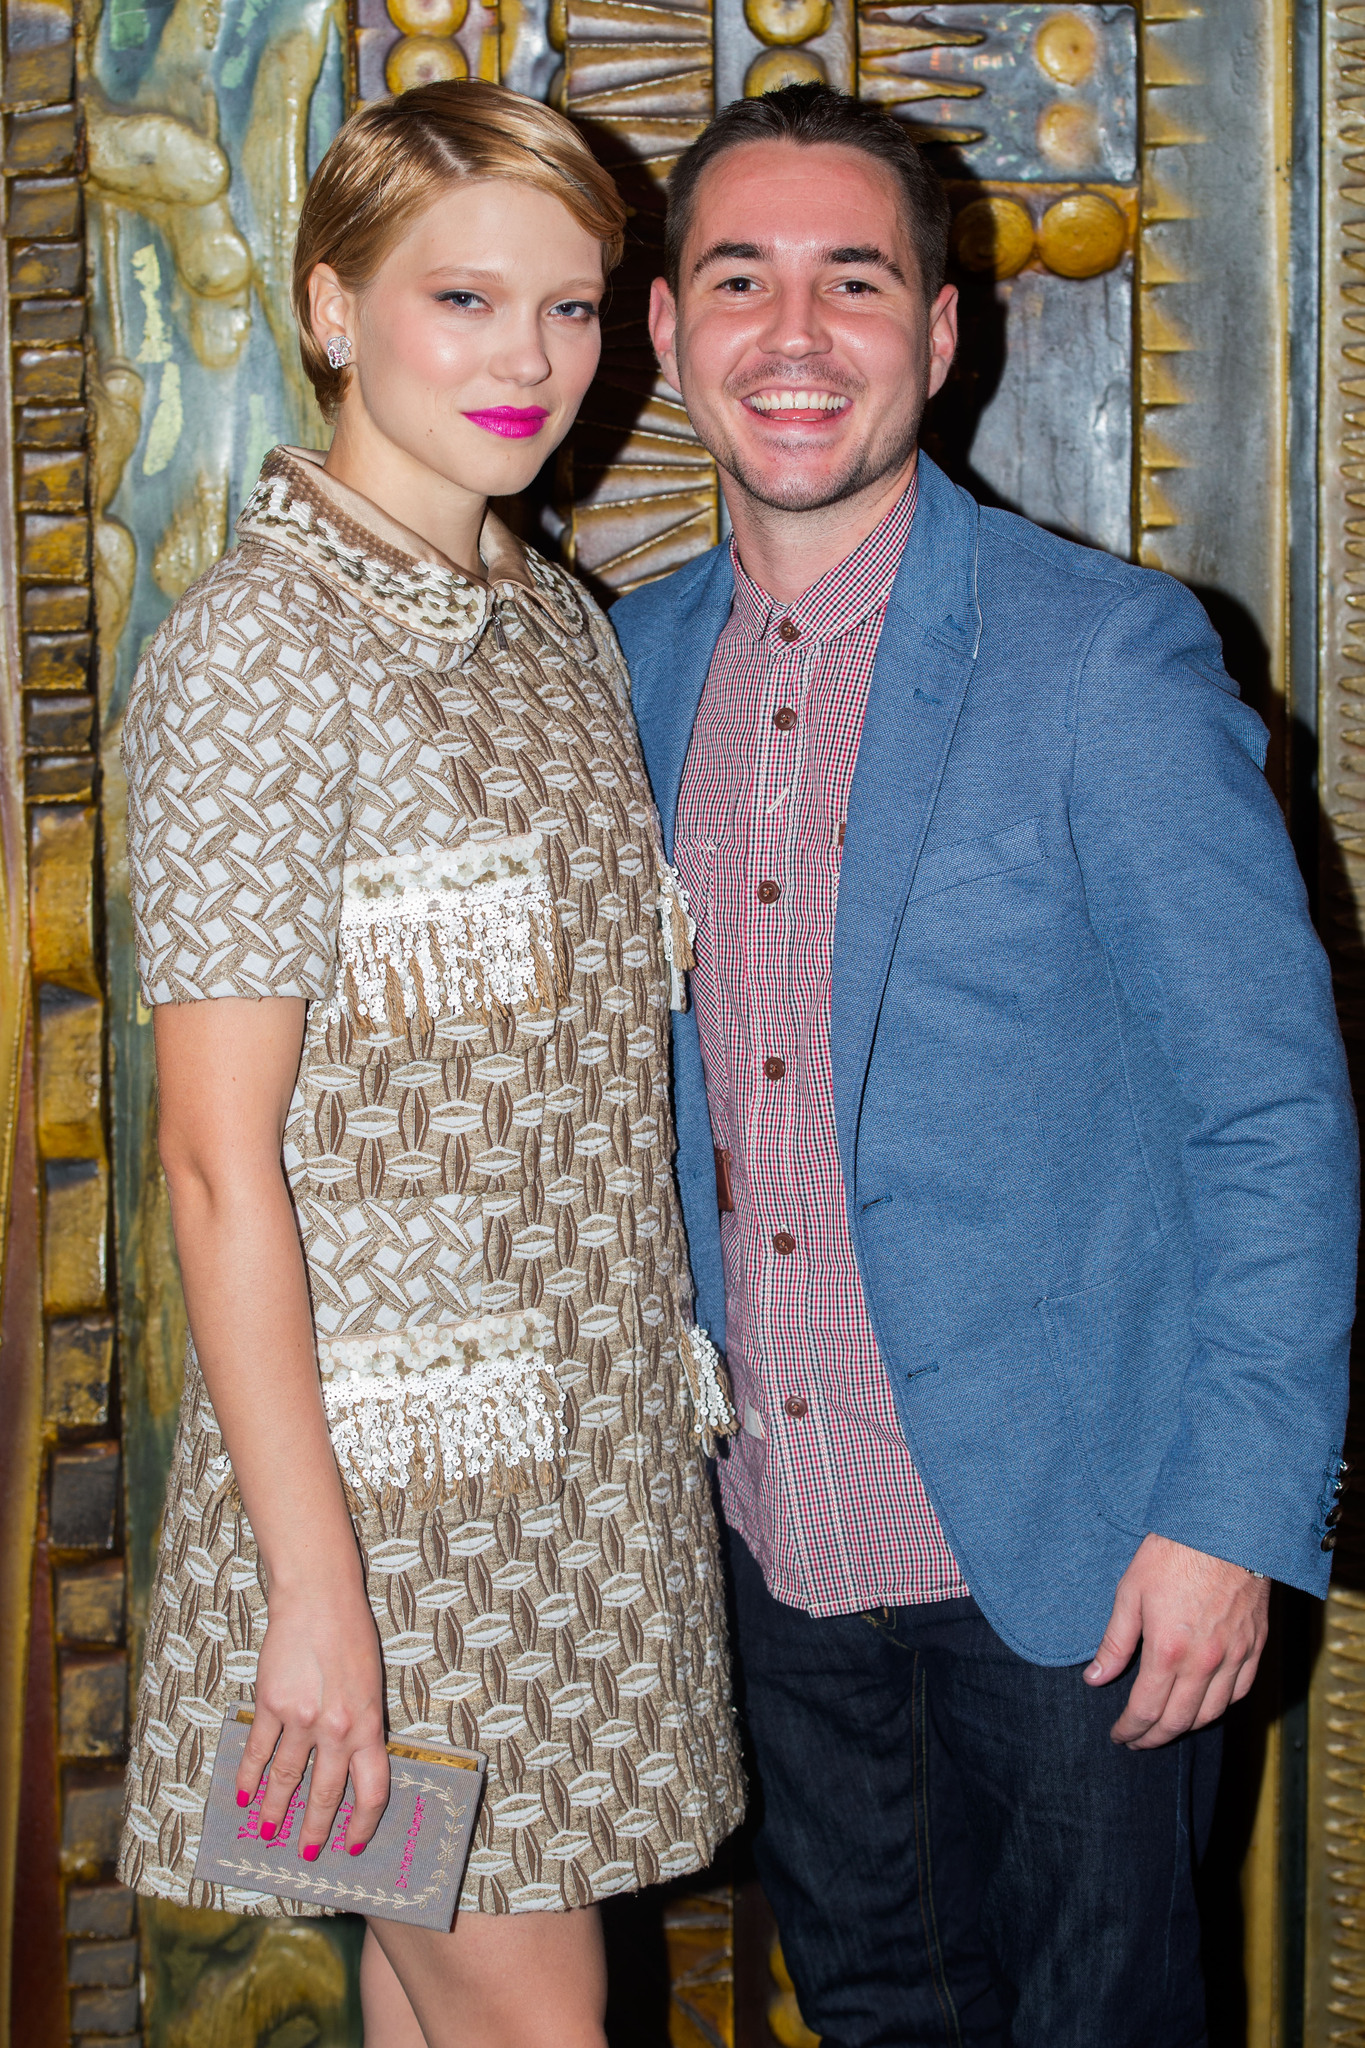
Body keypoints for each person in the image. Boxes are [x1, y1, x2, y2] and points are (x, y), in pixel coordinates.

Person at [611, 82, 1358, 2048]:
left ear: (936, 338)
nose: (792, 338)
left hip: (1081, 1563)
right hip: (769, 1552)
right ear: (668, 332)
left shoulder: (1105, 659)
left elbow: (1268, 1117)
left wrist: (1228, 1516)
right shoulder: (618, 668)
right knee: (866, 2016)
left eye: (851, 284)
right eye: (737, 280)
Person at [116, 80, 744, 2048]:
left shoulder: (551, 618)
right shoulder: (252, 655)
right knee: (535, 2015)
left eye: (568, 309)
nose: (529, 362)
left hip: (575, 1515)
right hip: (379, 1540)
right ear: (328, 305)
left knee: (439, 2000)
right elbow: (216, 1170)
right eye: (462, 300)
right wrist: (316, 1596)